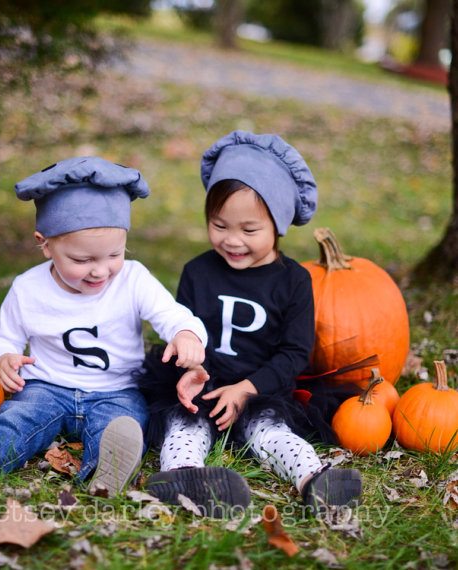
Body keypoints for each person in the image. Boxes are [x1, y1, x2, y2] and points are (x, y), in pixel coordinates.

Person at [0, 156, 209, 497]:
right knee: (19, 418)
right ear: (45, 244)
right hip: (47, 387)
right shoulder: (28, 288)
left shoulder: (133, 278)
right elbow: (3, 335)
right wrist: (3, 357)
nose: (100, 271)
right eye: (82, 260)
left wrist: (186, 334)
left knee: (122, 426)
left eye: (114, 255)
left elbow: (172, 314)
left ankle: (106, 473)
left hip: (116, 390)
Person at [142, 131, 362, 517]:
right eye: (219, 225)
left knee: (271, 432)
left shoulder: (294, 281)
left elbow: (294, 353)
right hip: (204, 382)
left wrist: (246, 389)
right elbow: (186, 330)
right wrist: (192, 369)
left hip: (261, 386)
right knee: (184, 424)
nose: (232, 240)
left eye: (249, 230)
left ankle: (314, 479)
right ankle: (182, 476)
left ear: (277, 224)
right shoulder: (197, 271)